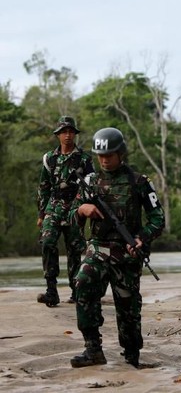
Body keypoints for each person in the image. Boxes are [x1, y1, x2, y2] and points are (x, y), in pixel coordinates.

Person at [68, 127, 165, 368]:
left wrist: (142, 238)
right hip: (98, 250)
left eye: (109, 155)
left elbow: (157, 218)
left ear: (121, 153)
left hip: (127, 253)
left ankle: (132, 354)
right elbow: (71, 215)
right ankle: (93, 349)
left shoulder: (139, 182)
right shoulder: (89, 182)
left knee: (128, 307)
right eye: (100, 156)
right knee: (83, 284)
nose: (104, 160)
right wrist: (82, 210)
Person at [36, 116, 94, 307]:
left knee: (74, 249)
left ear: (74, 134)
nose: (67, 135)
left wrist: (84, 208)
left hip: (75, 208)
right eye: (64, 132)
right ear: (58, 135)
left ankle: (76, 291)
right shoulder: (49, 158)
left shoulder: (84, 159)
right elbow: (44, 187)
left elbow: (91, 186)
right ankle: (51, 291)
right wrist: (41, 213)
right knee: (47, 242)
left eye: (70, 131)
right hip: (54, 206)